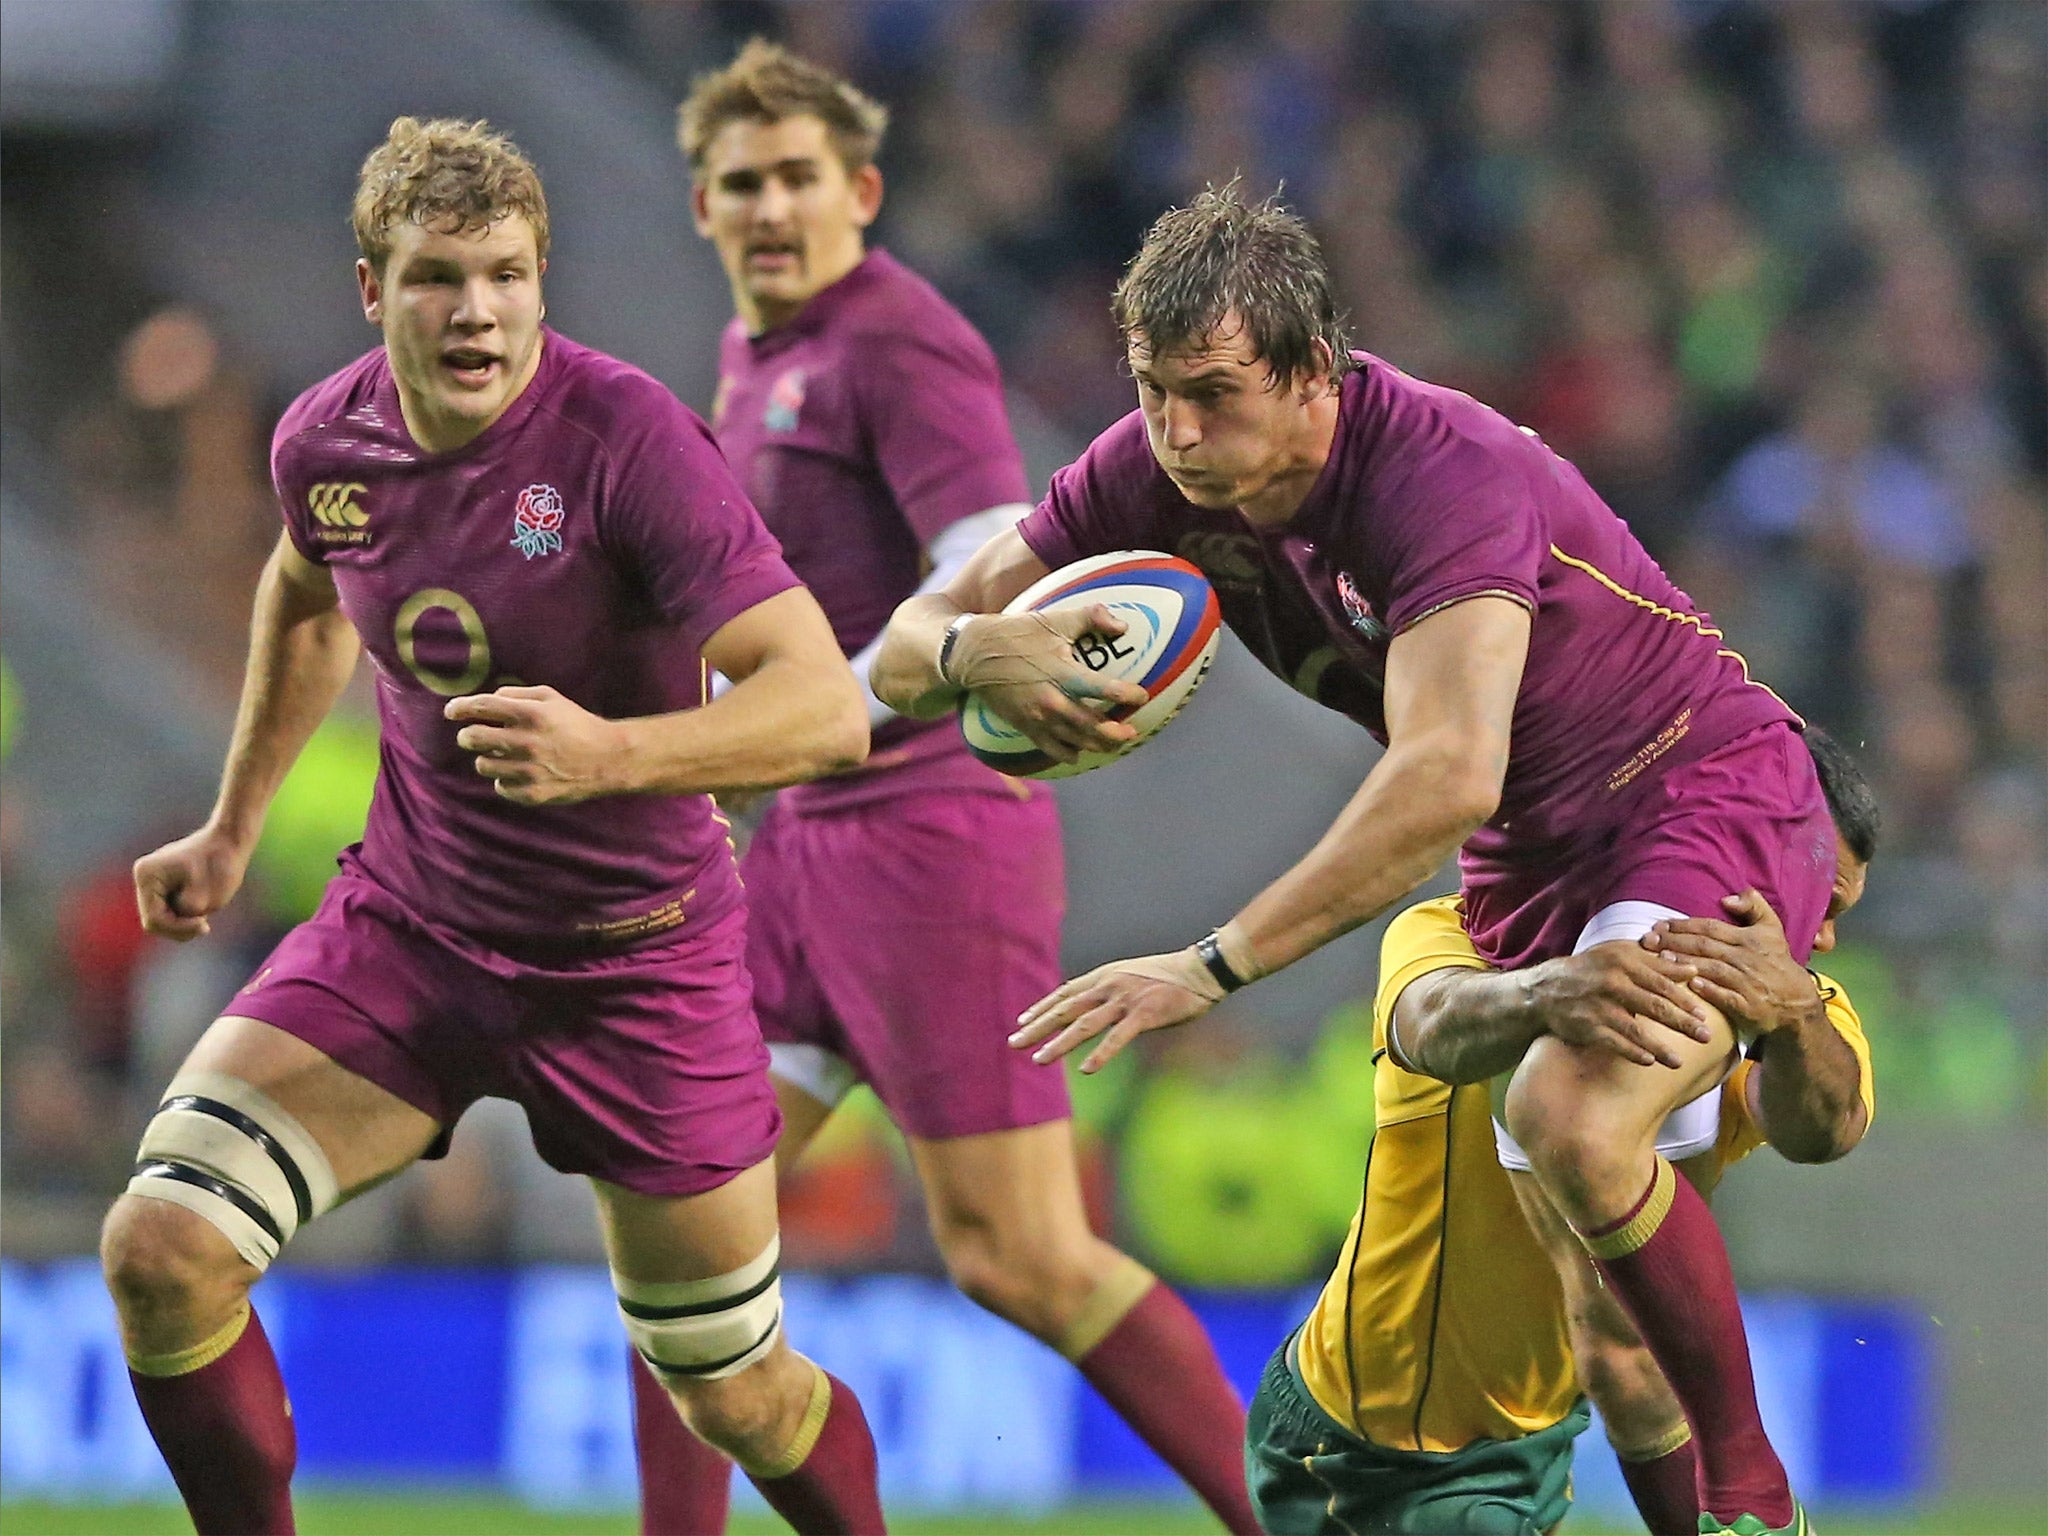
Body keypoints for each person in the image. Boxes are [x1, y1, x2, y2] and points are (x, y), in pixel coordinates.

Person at [874, 183, 1831, 1535]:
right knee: (1598, 1316)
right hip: (1531, 857)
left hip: (1691, 789)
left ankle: (1754, 1493)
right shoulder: (1144, 473)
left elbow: (1448, 773)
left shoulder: (1442, 473)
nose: (1177, 431)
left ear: (1316, 370)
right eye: (1153, 391)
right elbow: (909, 642)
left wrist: (1213, 966)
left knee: (1568, 1118)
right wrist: (979, 650)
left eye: (1212, 393)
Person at [101, 116, 888, 1536]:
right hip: (412, 938)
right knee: (161, 1250)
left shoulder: (629, 441)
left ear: (543, 281)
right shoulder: (323, 442)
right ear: (371, 292)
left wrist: (613, 753)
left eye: (509, 274)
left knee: (737, 1393)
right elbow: (301, 595)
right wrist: (234, 825)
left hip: (638, 970)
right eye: (438, 277)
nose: (477, 309)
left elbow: (822, 707)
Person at [626, 42, 1258, 1535]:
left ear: (861, 190)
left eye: (798, 178)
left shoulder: (894, 344)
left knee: (1020, 1255)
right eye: (741, 183)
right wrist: (727, 738)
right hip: (797, 853)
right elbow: (791, 610)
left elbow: (984, 562)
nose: (771, 207)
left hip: (926, 838)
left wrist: (760, 735)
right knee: (682, 1224)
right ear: (702, 206)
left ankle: (1294, 1520)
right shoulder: (757, 361)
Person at [1248, 727, 1879, 1536]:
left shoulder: (1797, 1008)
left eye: (1838, 916)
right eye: (1819, 894)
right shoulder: (1471, 934)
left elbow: (1825, 1130)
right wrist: (1551, 994)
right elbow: (1431, 1022)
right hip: (1373, 1444)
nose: (1820, 935)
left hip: (1539, 1438)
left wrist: (1791, 1019)